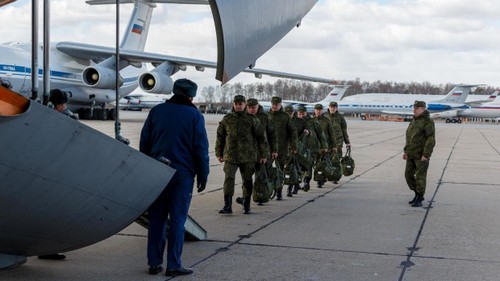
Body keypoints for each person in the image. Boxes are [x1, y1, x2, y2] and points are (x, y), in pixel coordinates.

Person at [140, 78, 209, 276]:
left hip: (158, 173)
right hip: (182, 176)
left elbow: (145, 142)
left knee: (157, 219)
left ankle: (154, 263)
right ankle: (173, 265)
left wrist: (148, 166)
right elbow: (200, 149)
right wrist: (203, 174)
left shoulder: (157, 111)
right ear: (191, 96)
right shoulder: (195, 115)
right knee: (178, 220)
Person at [215, 95, 269, 214]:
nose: (238, 106)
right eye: (236, 104)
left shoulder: (252, 119)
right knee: (229, 179)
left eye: (241, 104)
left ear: (245, 105)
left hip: (248, 157)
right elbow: (220, 137)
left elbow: (261, 138)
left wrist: (264, 155)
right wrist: (219, 153)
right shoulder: (227, 119)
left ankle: (246, 205)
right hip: (230, 156)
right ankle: (227, 206)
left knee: (247, 180)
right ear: (233, 105)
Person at [403, 100, 435, 207]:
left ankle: (420, 197)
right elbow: (409, 137)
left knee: (420, 177)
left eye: (416, 108)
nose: (414, 110)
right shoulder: (414, 121)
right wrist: (406, 151)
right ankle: (416, 194)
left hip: (421, 155)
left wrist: (426, 155)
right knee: (408, 175)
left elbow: (431, 139)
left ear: (422, 109)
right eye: (414, 108)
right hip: (411, 154)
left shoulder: (428, 121)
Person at [268, 96, 298, 199]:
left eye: (276, 104)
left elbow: (293, 132)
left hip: (282, 149)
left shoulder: (285, 117)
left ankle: (279, 191)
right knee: (267, 171)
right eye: (273, 104)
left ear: (280, 105)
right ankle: (268, 190)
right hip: (267, 149)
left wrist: (294, 147)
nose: (274, 106)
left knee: (279, 171)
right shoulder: (266, 116)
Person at [296, 106, 327, 192]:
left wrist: (324, 146)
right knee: (297, 166)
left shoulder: (313, 121)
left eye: (303, 114)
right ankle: (296, 184)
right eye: (300, 114)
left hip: (311, 148)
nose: (301, 116)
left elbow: (321, 134)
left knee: (308, 165)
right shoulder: (295, 122)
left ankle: (306, 182)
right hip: (298, 149)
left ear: (306, 113)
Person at [326, 101, 350, 183]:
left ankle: (335, 176)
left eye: (334, 107)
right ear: (329, 107)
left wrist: (347, 142)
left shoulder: (340, 118)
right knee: (325, 159)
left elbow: (344, 131)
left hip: (338, 141)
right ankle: (323, 177)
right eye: (331, 107)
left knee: (336, 159)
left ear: (336, 108)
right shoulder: (325, 117)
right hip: (326, 142)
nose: (333, 108)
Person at [313, 104, 336, 188]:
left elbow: (332, 134)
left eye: (320, 109)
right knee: (313, 164)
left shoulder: (327, 121)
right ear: (314, 110)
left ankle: (320, 179)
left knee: (321, 163)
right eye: (317, 109)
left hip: (324, 147)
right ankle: (307, 180)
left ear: (322, 110)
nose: (318, 111)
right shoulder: (310, 120)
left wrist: (334, 146)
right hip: (313, 146)